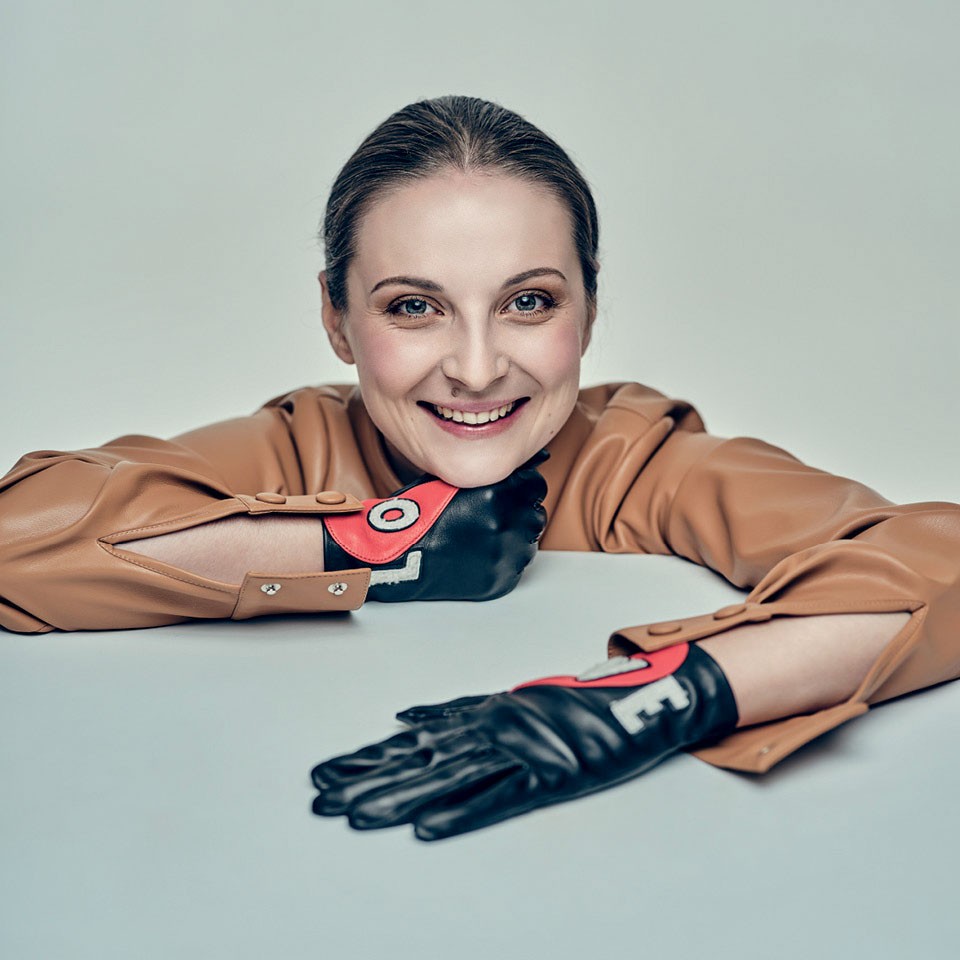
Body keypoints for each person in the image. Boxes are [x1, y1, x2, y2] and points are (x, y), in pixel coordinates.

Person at [1, 95, 958, 841]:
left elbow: (937, 559)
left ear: (589, 309)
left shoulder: (638, 460)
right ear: (337, 319)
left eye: (528, 302)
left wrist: (651, 699)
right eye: (413, 307)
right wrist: (369, 549)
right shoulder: (297, 449)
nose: (474, 367)